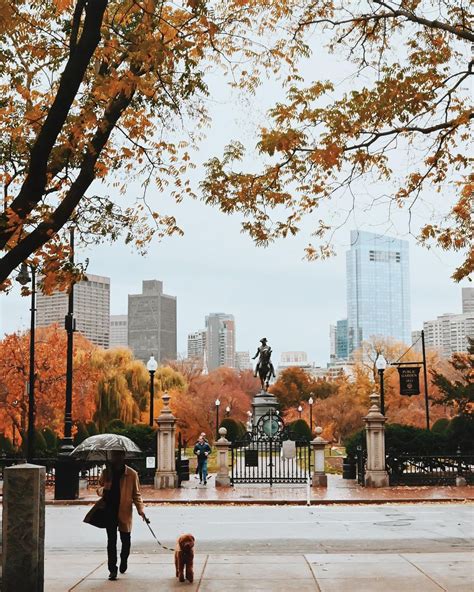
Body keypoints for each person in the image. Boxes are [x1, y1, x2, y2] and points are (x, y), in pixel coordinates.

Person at [97, 450, 147, 581]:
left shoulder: (131, 474)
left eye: (119, 455)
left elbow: (136, 494)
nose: (117, 458)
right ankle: (112, 569)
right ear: (112, 457)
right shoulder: (106, 472)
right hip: (109, 510)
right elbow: (98, 489)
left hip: (124, 510)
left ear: (123, 456)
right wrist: (104, 488)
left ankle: (124, 559)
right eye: (114, 455)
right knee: (111, 541)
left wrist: (140, 510)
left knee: (126, 540)